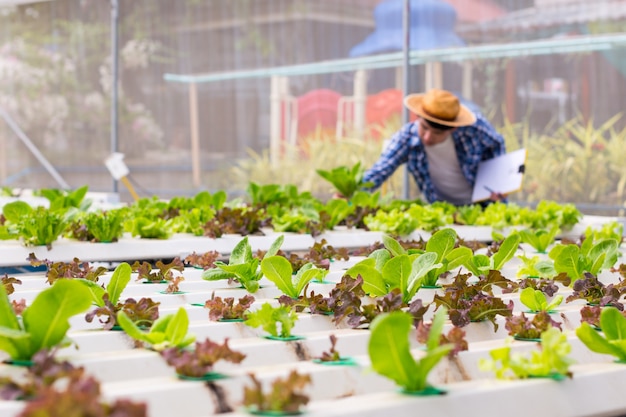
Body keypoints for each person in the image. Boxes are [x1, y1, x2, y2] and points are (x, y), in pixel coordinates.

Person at [362, 88, 507, 205]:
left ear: (453, 129)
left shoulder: (474, 129)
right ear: (418, 118)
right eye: (424, 128)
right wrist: (349, 193)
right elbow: (379, 171)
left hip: (483, 205)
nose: (427, 137)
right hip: (442, 208)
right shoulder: (406, 139)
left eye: (437, 133)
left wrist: (498, 183)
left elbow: (497, 144)